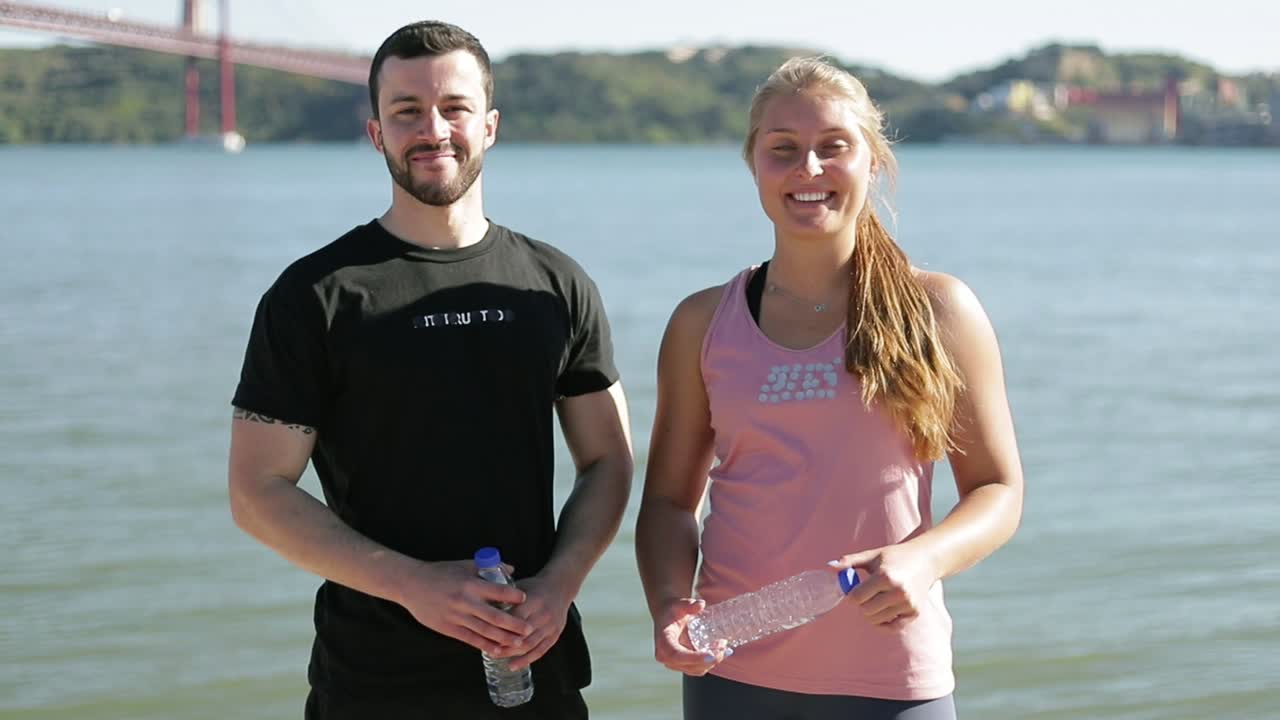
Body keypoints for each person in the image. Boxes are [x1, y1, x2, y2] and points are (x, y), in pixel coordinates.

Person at [227, 20, 633, 719]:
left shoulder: (554, 284)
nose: (433, 130)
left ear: (491, 125)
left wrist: (560, 585)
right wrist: (413, 585)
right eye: (407, 111)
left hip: (536, 672)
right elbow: (256, 491)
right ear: (376, 133)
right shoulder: (316, 295)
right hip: (373, 684)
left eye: (454, 108)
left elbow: (608, 460)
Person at [635, 56, 1024, 719]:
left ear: (872, 161)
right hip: (731, 672)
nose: (808, 169)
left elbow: (998, 490)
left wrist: (924, 560)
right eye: (783, 149)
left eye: (833, 147)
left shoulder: (938, 310)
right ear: (753, 164)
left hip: (892, 677)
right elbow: (670, 502)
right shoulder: (702, 322)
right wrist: (672, 603)